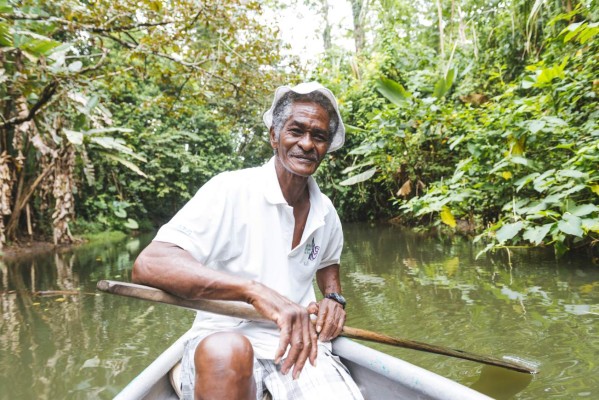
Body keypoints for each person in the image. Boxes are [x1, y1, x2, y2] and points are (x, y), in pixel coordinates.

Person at [132, 82, 363, 400]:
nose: (307, 144)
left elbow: (328, 266)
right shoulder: (229, 190)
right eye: (296, 131)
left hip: (299, 346)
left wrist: (334, 300)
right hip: (222, 344)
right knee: (228, 350)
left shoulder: (326, 213)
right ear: (274, 136)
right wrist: (254, 291)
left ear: (325, 148)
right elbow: (150, 263)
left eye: (318, 136)